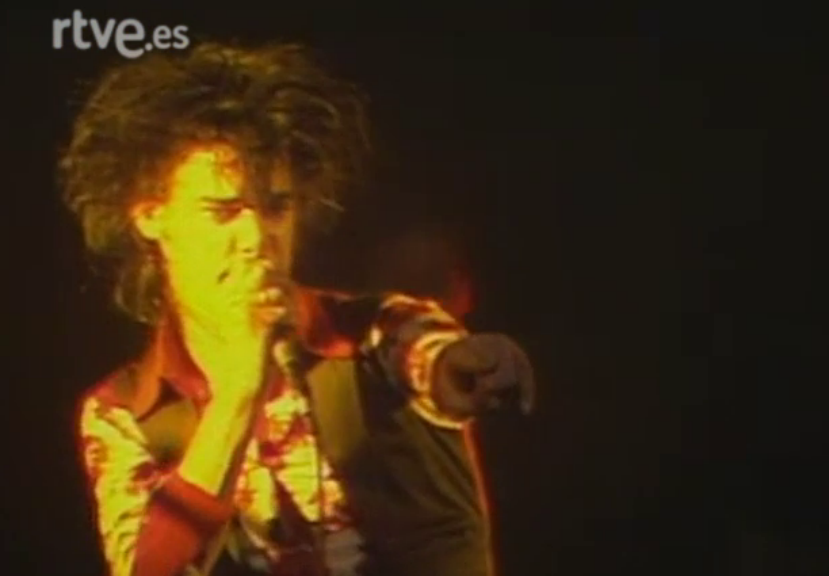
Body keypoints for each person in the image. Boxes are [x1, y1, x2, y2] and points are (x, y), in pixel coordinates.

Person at [62, 42, 535, 576]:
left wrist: (468, 365)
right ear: (151, 216)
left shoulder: (376, 330)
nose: (256, 238)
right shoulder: (121, 414)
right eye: (223, 211)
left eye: (276, 208)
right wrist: (238, 394)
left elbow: (431, 355)